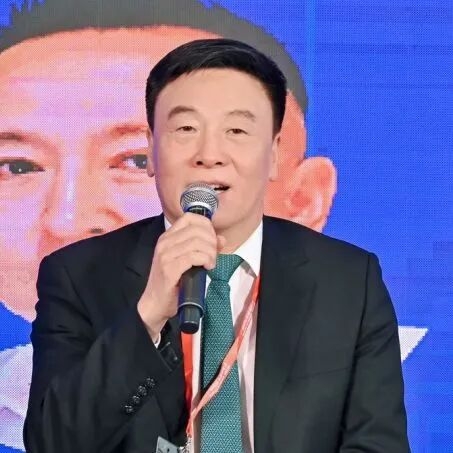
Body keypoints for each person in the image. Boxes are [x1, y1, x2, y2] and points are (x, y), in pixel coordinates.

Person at [24, 38, 409, 453]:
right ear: (151, 150)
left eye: (237, 131)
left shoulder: (347, 281)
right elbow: (53, 444)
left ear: (275, 154)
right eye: (186, 129)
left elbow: (377, 444)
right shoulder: (78, 276)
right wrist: (146, 317)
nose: (209, 155)